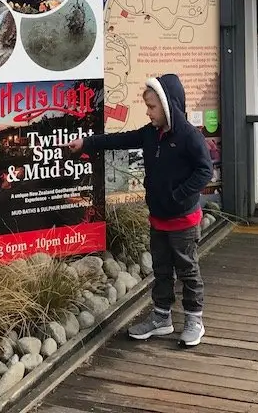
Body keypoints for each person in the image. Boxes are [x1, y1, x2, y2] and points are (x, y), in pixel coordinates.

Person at [69, 73, 213, 348]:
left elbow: (204, 170)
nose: (148, 113)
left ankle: (194, 319)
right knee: (160, 269)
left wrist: (179, 195)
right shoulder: (151, 134)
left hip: (182, 220)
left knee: (187, 270)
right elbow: (120, 140)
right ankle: (161, 318)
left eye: (152, 107)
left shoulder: (188, 136)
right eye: (147, 107)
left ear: (168, 105)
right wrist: (87, 143)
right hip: (158, 218)